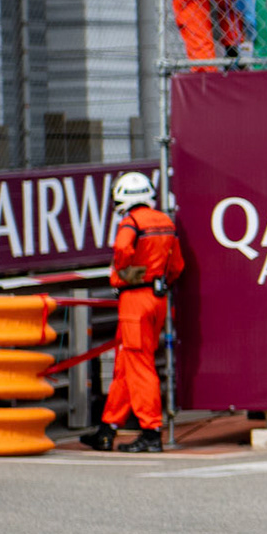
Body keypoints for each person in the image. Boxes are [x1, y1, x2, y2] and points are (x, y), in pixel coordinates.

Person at [79, 173, 184, 453]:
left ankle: (150, 432)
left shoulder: (131, 222)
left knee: (139, 367)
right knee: (126, 365)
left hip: (134, 301)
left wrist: (123, 273)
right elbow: (177, 266)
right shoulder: (166, 221)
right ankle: (107, 429)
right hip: (158, 299)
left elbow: (122, 247)